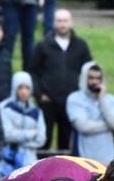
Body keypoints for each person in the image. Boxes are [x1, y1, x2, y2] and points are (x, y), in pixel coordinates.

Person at [28, 9, 93, 151]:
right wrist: (39, 94)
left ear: (71, 23)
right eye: (59, 21)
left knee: (66, 141)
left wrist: (83, 94)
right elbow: (32, 71)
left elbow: (89, 70)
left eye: (65, 21)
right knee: (44, 139)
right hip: (48, 101)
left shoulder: (80, 45)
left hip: (72, 101)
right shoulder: (43, 45)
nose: (62, 24)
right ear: (53, 23)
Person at [66, 62, 114, 164]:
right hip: (83, 158)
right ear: (84, 78)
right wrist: (107, 125)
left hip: (108, 158)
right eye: (91, 78)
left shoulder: (111, 100)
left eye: (98, 78)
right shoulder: (74, 99)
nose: (95, 82)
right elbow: (84, 127)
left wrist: (102, 100)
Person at [0, 71, 46, 175]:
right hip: (8, 160)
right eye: (20, 87)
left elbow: (41, 139)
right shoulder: (5, 108)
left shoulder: (36, 112)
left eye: (27, 88)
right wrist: (31, 133)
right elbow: (7, 135)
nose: (24, 91)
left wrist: (18, 137)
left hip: (29, 162)